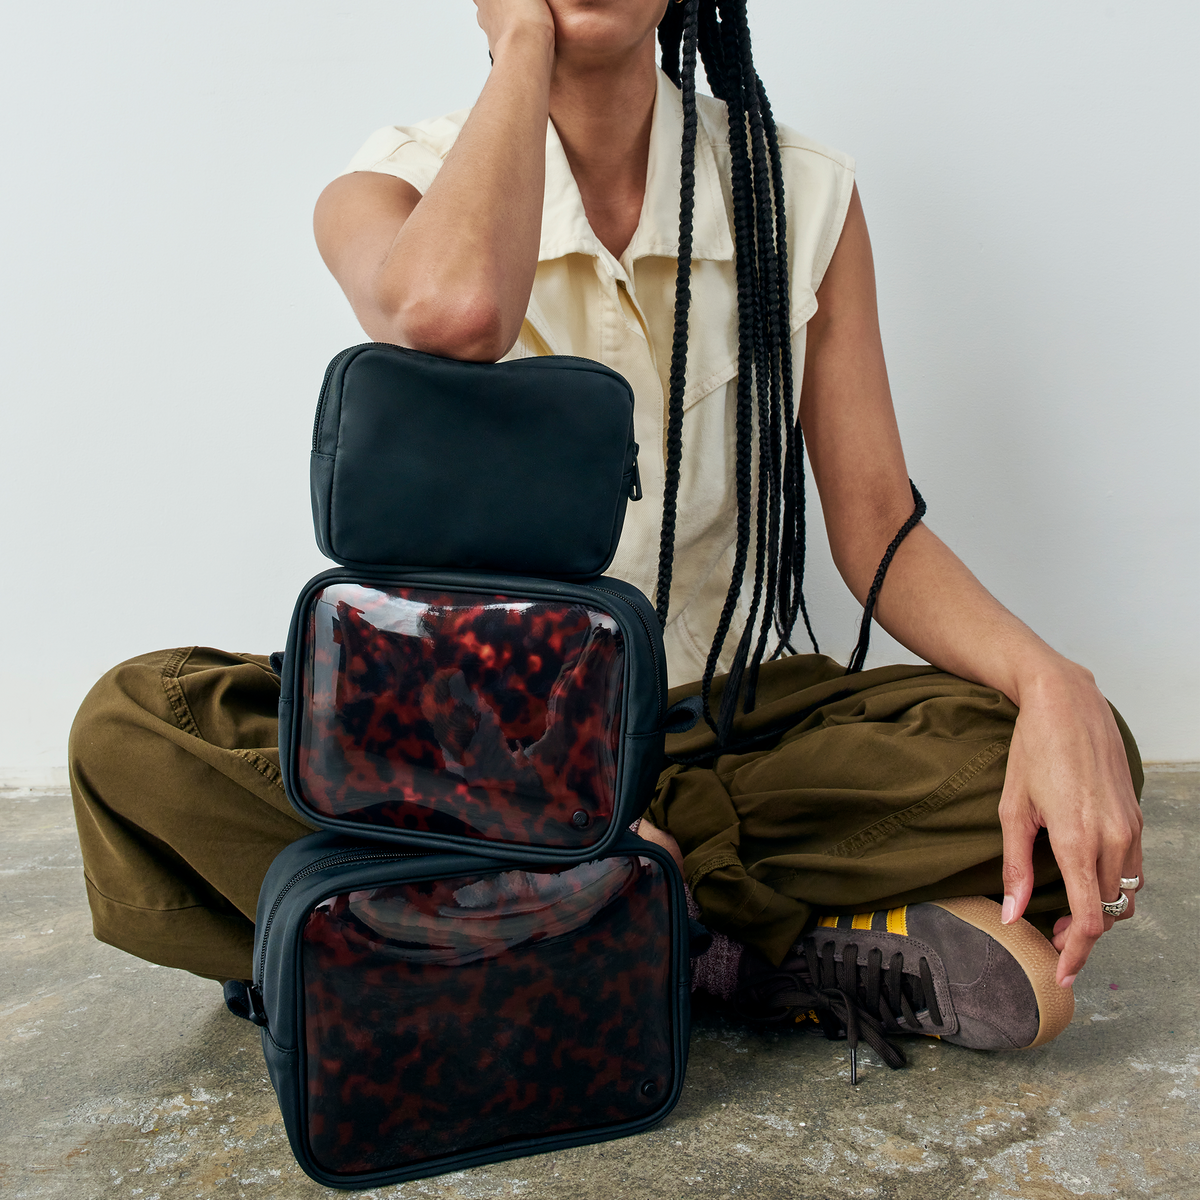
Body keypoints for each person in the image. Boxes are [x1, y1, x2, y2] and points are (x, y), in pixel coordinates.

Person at [68, 0, 1143, 1072]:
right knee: (131, 733)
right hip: (474, 755)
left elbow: (876, 527)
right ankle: (733, 947)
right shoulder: (389, 185)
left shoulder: (801, 191)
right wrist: (523, 44)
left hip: (716, 726)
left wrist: (1052, 684)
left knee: (1074, 755)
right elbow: (451, 313)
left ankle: (496, 931)